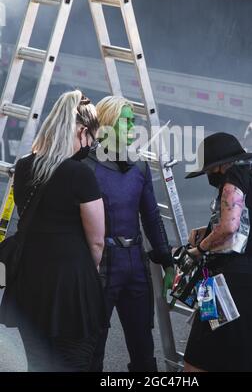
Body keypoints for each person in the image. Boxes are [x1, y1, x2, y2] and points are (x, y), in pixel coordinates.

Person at [0, 90, 107, 372]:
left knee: (38, 362)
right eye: (92, 139)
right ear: (82, 130)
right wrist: (90, 273)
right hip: (70, 284)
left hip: (28, 279)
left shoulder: (23, 167)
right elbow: (97, 242)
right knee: (74, 362)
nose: (91, 146)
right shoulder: (80, 174)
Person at [184, 132, 252, 372]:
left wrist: (200, 249)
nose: (210, 176)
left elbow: (229, 227)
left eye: (210, 170)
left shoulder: (234, 177)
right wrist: (209, 230)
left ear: (220, 166)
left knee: (199, 358)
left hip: (237, 283)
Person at [83, 95, 174, 372]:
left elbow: (151, 217)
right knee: (92, 348)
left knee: (143, 348)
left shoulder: (140, 166)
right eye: (127, 121)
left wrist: (167, 261)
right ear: (108, 124)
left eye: (135, 121)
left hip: (135, 264)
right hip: (100, 266)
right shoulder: (86, 165)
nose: (134, 128)